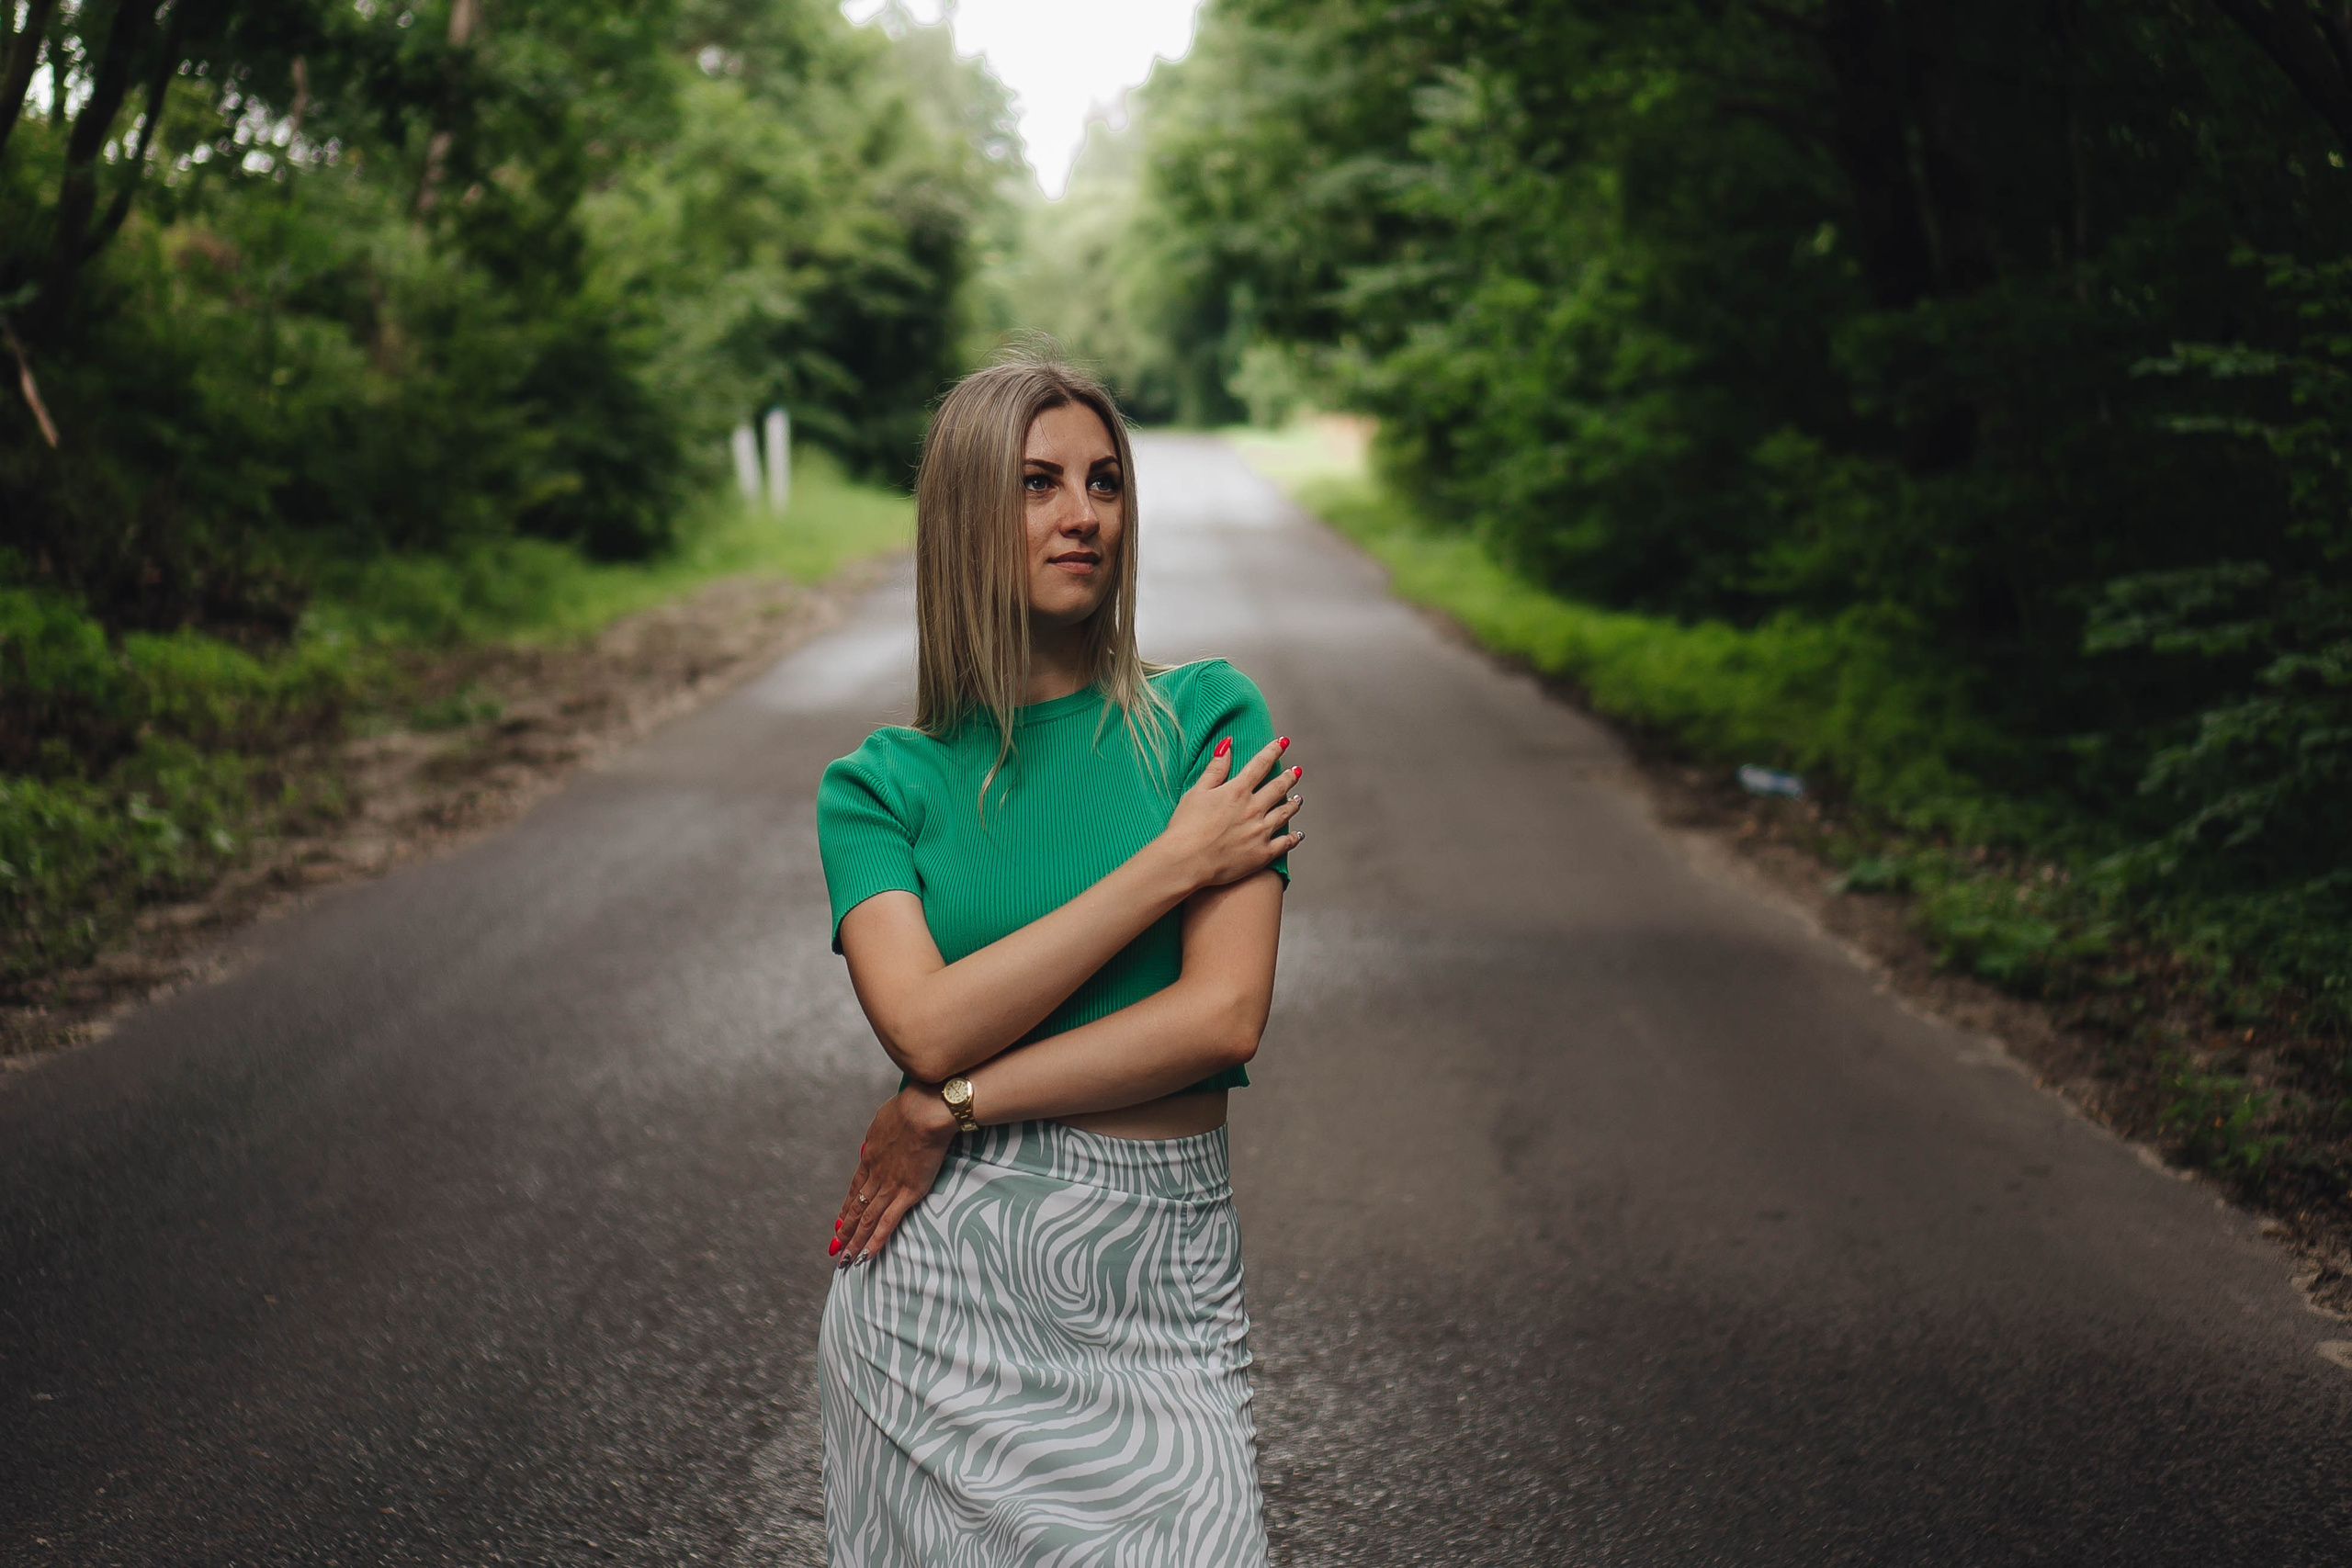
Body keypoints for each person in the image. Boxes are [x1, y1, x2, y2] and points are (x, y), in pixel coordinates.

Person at [812, 355, 1303, 1565]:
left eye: (1103, 482)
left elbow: (1222, 1018)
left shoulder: (1211, 720)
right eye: (1037, 484)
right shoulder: (880, 786)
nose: (1083, 516)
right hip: (937, 1310)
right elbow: (924, 1028)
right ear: (966, 515)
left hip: (1162, 1287)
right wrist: (1170, 865)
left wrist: (955, 1107)